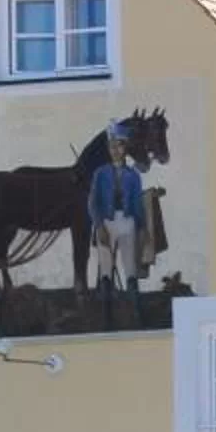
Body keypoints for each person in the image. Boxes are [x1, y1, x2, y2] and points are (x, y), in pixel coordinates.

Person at [88, 124, 146, 326]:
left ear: (125, 148)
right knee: (106, 270)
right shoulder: (100, 173)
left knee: (130, 270)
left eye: (120, 145)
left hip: (127, 222)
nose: (115, 150)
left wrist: (141, 229)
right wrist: (99, 226)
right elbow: (93, 202)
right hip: (106, 222)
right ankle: (107, 318)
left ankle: (135, 315)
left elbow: (138, 204)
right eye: (112, 146)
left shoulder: (133, 176)